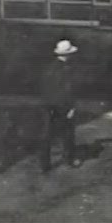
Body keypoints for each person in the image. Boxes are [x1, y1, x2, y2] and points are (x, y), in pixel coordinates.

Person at [39, 40, 82, 172]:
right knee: (68, 132)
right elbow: (68, 90)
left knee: (47, 133)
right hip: (63, 104)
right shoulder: (67, 69)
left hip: (48, 104)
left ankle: (45, 164)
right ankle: (69, 158)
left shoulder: (49, 68)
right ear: (67, 55)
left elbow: (44, 87)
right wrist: (71, 107)